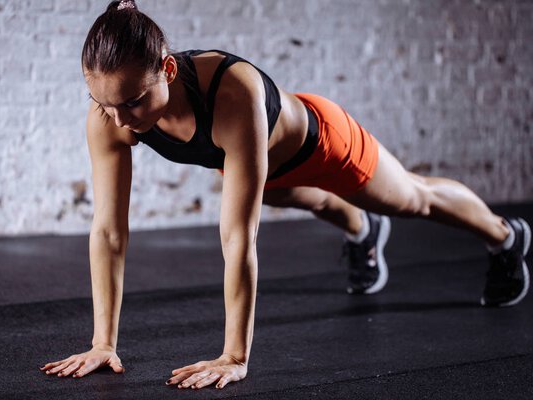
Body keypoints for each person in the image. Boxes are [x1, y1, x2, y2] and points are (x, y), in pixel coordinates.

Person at [40, 0, 531, 390]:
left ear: (167, 70)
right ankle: (363, 231)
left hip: (325, 144)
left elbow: (238, 238)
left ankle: (505, 236)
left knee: (410, 200)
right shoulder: (112, 115)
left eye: (132, 101)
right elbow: (107, 231)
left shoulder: (234, 94)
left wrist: (235, 356)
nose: (120, 119)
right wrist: (102, 343)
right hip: (263, 165)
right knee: (303, 199)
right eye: (102, 102)